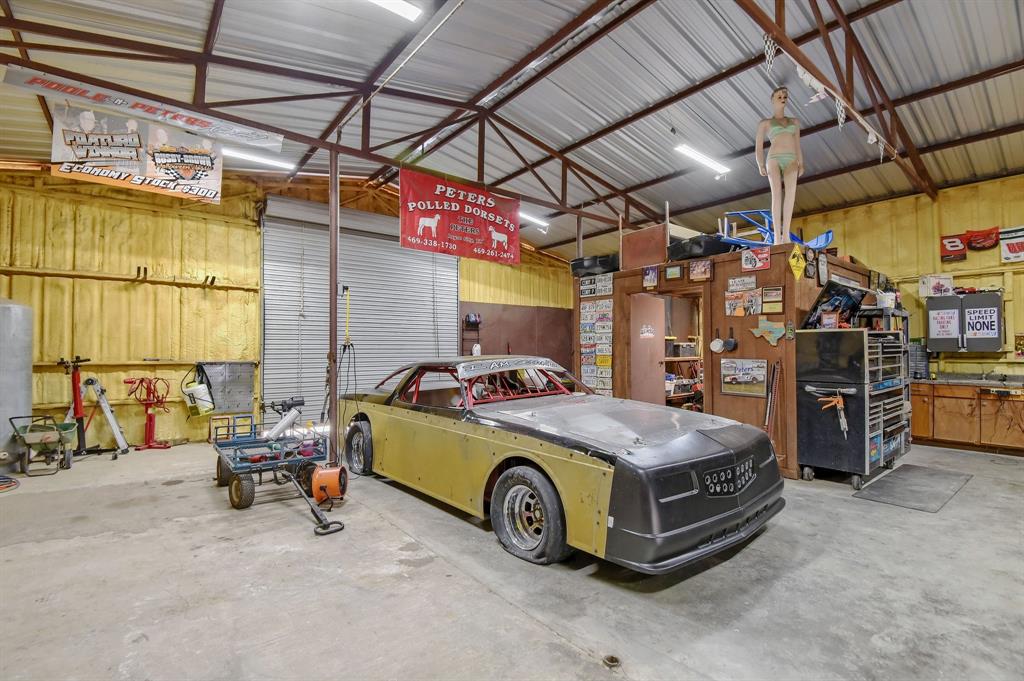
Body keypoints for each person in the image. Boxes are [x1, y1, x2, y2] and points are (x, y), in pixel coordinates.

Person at [754, 86, 804, 245]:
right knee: (777, 195)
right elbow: (758, 146)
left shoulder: (795, 122)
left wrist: (801, 163)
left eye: (785, 96)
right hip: (773, 158)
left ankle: (786, 236)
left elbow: (797, 144)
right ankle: (777, 237)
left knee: (791, 195)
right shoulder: (765, 123)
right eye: (779, 96)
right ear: (772, 99)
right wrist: (760, 163)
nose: (783, 98)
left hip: (791, 159)